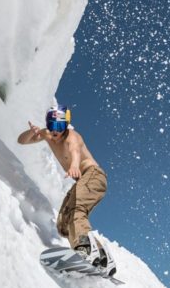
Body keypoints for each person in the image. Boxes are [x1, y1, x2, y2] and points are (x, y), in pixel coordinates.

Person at [17, 105, 108, 262]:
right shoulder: (47, 134)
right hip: (84, 180)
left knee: (77, 210)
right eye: (52, 125)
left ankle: (89, 252)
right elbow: (21, 141)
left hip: (94, 176)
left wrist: (74, 165)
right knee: (64, 223)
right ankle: (99, 258)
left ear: (66, 126)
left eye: (60, 126)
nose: (55, 131)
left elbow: (75, 151)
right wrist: (31, 132)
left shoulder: (72, 137)